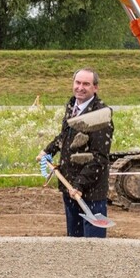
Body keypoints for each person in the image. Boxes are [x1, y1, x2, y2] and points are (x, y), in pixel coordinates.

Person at [36, 68, 114, 238]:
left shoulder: (101, 114)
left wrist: (79, 185)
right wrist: (48, 151)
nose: (80, 87)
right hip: (69, 187)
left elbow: (99, 157)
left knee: (93, 246)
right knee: (74, 243)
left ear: (95, 88)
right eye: (77, 82)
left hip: (91, 191)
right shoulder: (72, 105)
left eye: (86, 84)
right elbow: (65, 135)